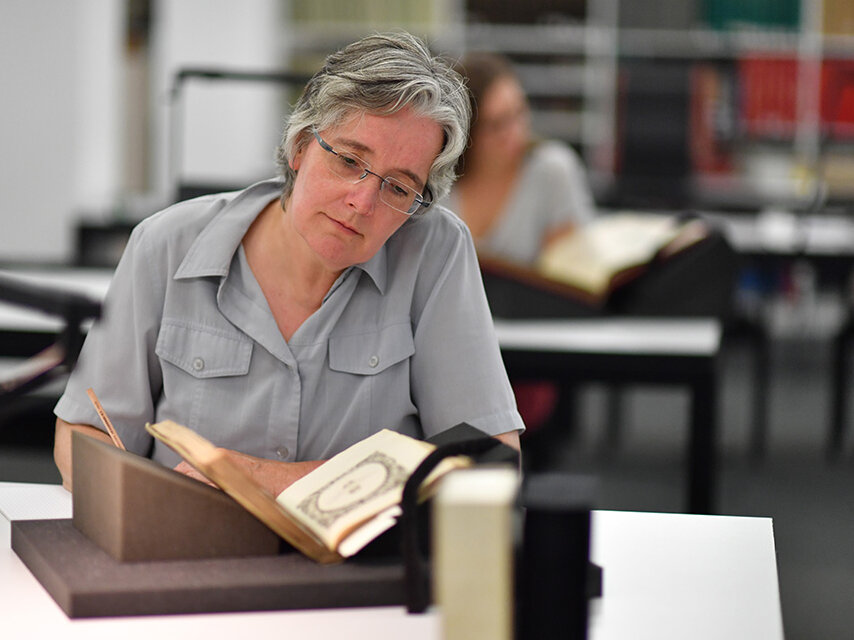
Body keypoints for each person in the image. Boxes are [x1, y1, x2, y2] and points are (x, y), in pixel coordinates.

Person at [54, 32, 523, 493]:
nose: (362, 202)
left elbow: (489, 461)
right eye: (348, 160)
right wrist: (149, 512)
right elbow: (83, 435)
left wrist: (255, 480)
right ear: (300, 146)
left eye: (398, 188)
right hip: (186, 550)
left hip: (360, 563)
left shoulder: (434, 251)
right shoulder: (165, 245)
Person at [442, 52, 596, 265]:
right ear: (468, 132)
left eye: (519, 112)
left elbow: (569, 279)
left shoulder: (552, 170)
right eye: (497, 125)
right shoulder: (442, 178)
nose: (516, 133)